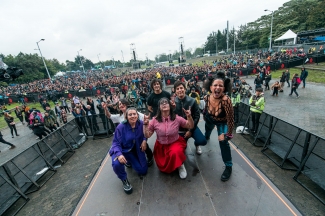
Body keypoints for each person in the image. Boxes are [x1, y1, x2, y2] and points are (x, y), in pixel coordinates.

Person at [143, 97, 194, 179]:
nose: (164, 104)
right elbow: (147, 135)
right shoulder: (154, 120)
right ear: (159, 107)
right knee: (163, 168)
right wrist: (145, 126)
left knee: (175, 152)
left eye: (166, 102)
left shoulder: (177, 118)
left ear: (170, 106)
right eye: (161, 103)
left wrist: (189, 117)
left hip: (175, 142)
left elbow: (190, 125)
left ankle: (180, 165)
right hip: (161, 146)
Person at [102, 99, 154, 166]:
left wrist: (144, 140)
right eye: (120, 104)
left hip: (138, 136)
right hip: (128, 138)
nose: (121, 105)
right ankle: (130, 160)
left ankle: (150, 156)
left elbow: (145, 123)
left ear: (127, 104)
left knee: (144, 145)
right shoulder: (119, 116)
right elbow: (109, 116)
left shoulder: (136, 114)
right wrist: (105, 108)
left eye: (123, 103)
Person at [203, 72, 234, 182]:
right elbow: (206, 109)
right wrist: (205, 116)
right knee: (207, 132)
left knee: (223, 143)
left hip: (223, 123)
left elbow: (230, 119)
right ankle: (206, 136)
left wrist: (227, 135)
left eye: (220, 86)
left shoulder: (226, 100)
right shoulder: (206, 97)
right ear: (210, 87)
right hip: (210, 119)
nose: (217, 87)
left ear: (224, 88)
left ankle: (228, 166)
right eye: (215, 85)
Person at [109, 107, 148, 194]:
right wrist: (119, 154)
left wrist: (144, 140)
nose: (133, 116)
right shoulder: (121, 127)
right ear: (126, 117)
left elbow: (146, 133)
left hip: (132, 151)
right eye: (130, 114)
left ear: (137, 115)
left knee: (143, 171)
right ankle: (124, 180)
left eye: (134, 114)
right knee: (116, 164)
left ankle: (129, 162)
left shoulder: (141, 124)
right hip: (121, 150)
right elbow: (115, 143)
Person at [173, 81, 206, 155]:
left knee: (202, 141)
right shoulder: (173, 102)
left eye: (181, 88)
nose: (179, 90)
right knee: (180, 150)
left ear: (185, 89)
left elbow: (197, 116)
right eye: (177, 89)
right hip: (180, 130)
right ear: (175, 91)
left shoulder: (192, 101)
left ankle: (196, 144)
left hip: (192, 126)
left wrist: (190, 130)